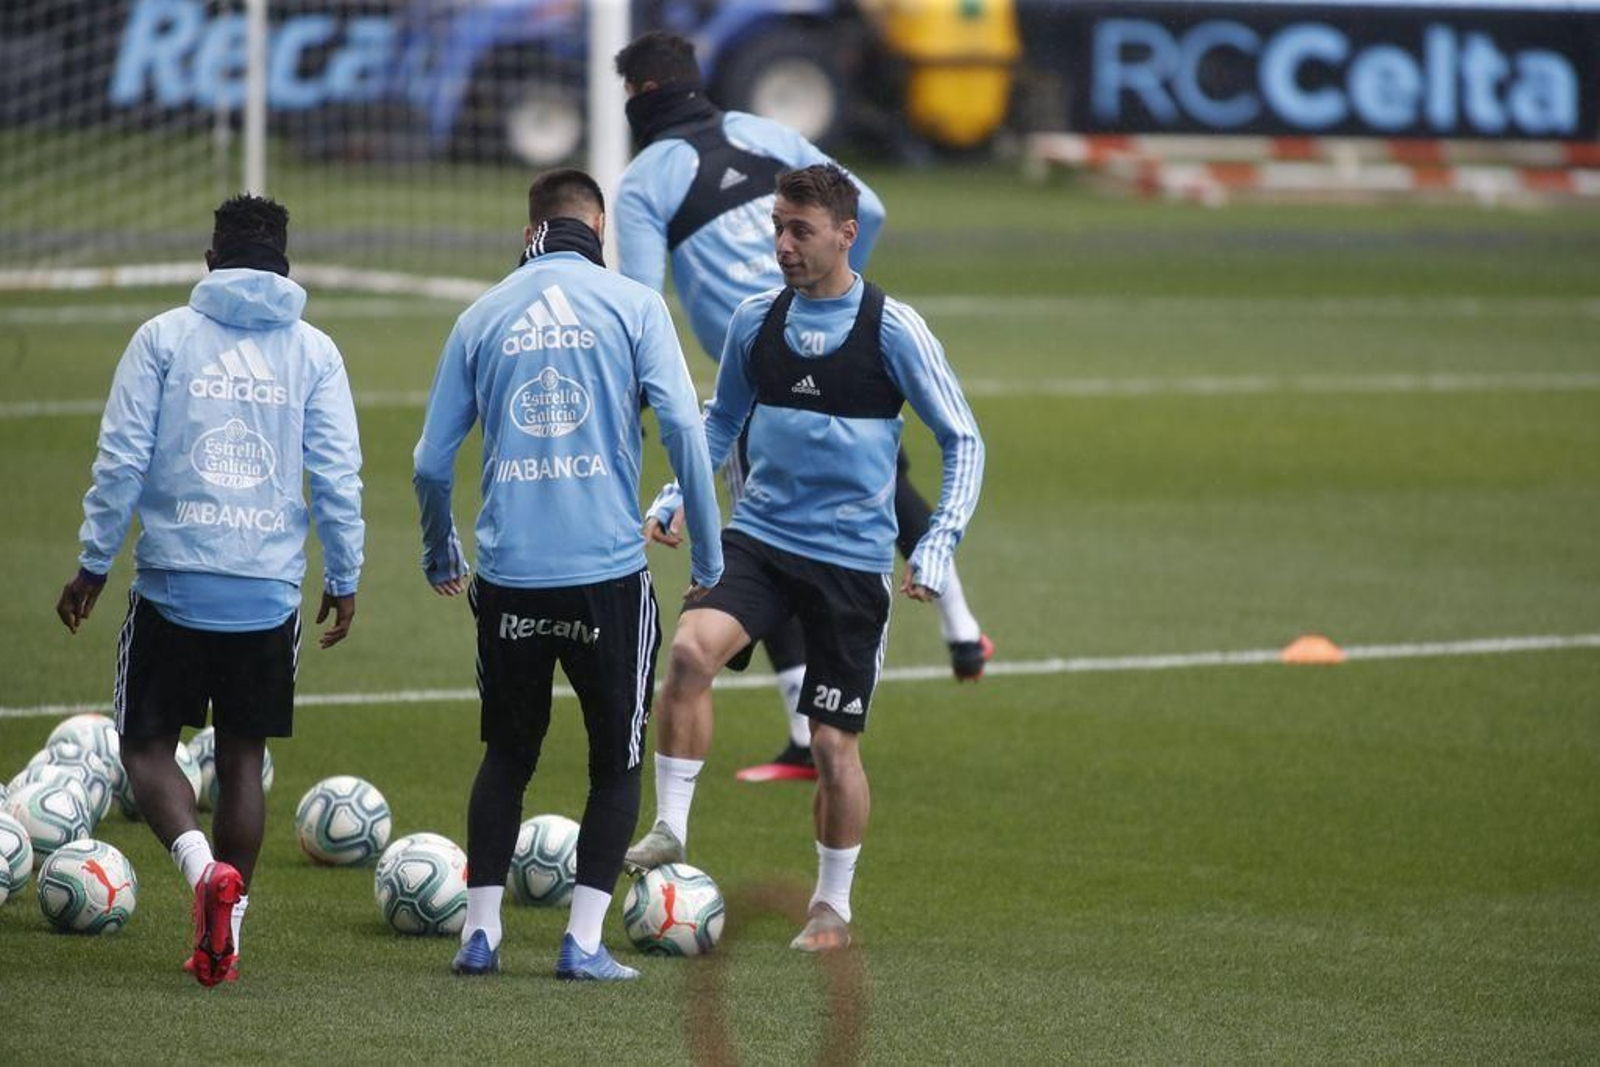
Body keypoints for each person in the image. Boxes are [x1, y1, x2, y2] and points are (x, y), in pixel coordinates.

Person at [613, 30, 992, 784]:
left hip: (757, 371)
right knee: (879, 487)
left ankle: (801, 733)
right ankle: (961, 629)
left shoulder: (644, 181)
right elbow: (870, 204)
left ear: (640, 98)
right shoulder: (763, 129)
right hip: (831, 341)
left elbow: (640, 307)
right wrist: (845, 305)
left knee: (768, 532)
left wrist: (645, 400)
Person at [625, 164, 984, 951]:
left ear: (845, 234)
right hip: (760, 539)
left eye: (800, 231)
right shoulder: (757, 319)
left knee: (830, 744)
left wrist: (937, 538)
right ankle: (670, 829)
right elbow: (721, 423)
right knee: (687, 652)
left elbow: (962, 438)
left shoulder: (892, 328)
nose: (783, 245)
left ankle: (832, 907)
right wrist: (676, 496)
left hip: (850, 565)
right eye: (777, 229)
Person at [414, 168, 722, 981]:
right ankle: (582, 944)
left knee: (508, 755)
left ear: (530, 233)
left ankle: (479, 935)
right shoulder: (633, 305)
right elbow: (688, 433)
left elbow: (428, 463)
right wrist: (712, 557)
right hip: (607, 575)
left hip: (509, 575)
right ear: (598, 226)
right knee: (615, 760)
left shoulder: (482, 314)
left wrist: (441, 549)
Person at [55, 194, 365, 988]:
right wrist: (347, 574)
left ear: (209, 262)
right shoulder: (315, 350)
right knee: (242, 756)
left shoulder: (163, 337)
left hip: (172, 584)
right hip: (267, 592)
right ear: (286, 267)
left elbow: (120, 460)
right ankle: (227, 931)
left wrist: (93, 564)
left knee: (146, 748)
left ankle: (202, 876)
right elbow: (336, 475)